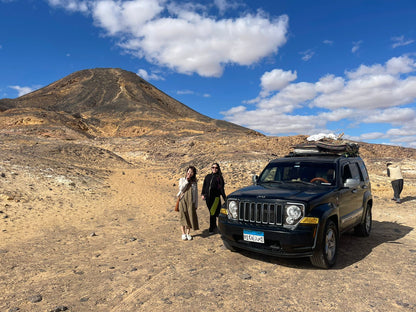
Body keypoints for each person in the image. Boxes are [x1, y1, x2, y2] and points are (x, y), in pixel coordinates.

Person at [201, 163, 226, 234]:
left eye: (216, 168)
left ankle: (211, 228)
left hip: (216, 198)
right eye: (213, 167)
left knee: (212, 212)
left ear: (218, 169)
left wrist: (225, 198)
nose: (214, 169)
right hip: (208, 198)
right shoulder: (208, 176)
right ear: (211, 168)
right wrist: (203, 194)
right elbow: (204, 185)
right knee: (212, 212)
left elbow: (221, 189)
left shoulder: (219, 178)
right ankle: (214, 226)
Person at [177, 166, 199, 240]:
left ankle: (188, 233)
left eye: (191, 172)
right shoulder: (182, 179)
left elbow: (195, 194)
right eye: (188, 172)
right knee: (183, 216)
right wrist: (186, 180)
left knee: (190, 217)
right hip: (183, 200)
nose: (189, 173)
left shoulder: (194, 182)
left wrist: (196, 204)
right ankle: (183, 233)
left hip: (191, 201)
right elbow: (181, 188)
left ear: (193, 174)